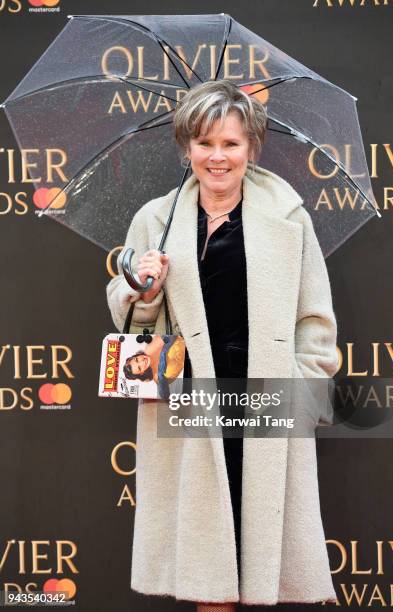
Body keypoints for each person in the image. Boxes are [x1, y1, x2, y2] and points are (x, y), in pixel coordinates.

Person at [106, 79, 339, 609]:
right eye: (204, 143)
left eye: (230, 144)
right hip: (191, 405)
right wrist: (143, 287)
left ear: (251, 148)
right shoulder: (156, 219)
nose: (217, 157)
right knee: (207, 568)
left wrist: (301, 393)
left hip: (265, 401)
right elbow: (138, 325)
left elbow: (315, 320)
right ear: (187, 146)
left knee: (262, 564)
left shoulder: (289, 218)